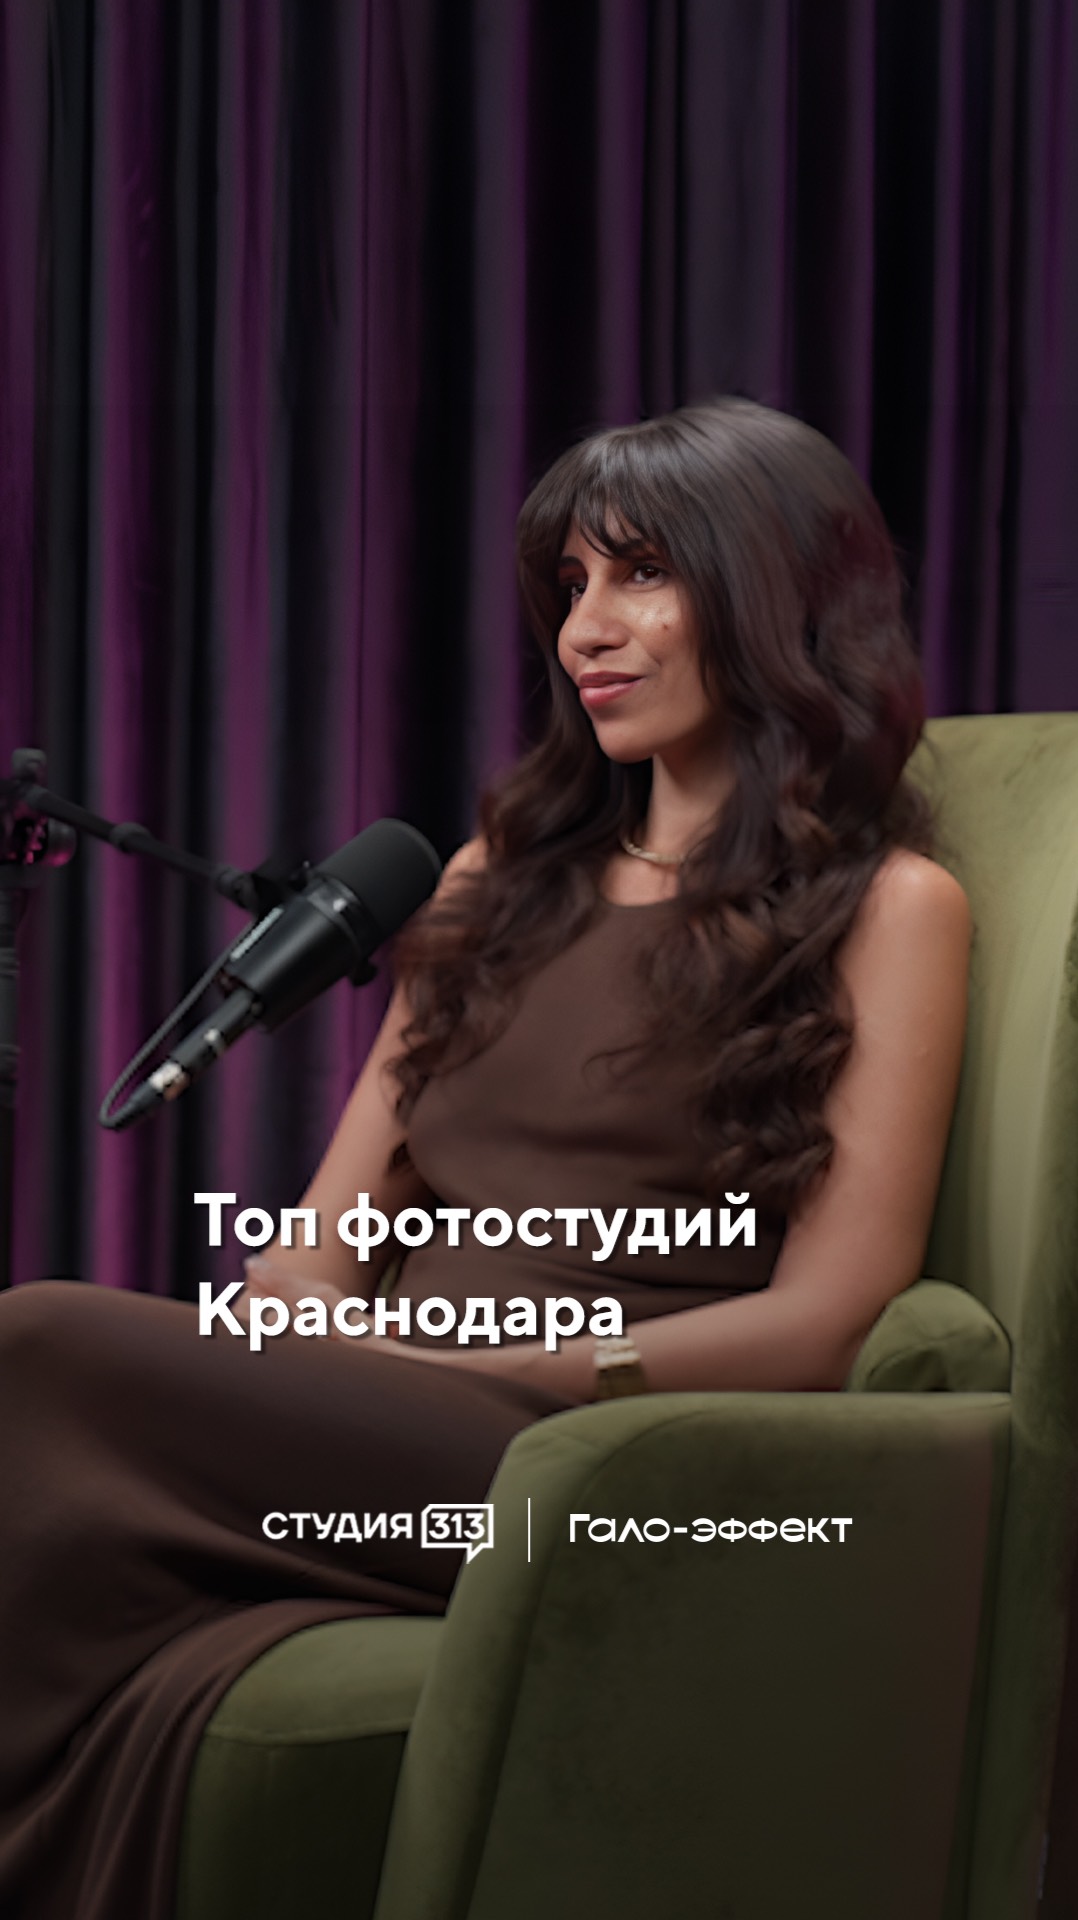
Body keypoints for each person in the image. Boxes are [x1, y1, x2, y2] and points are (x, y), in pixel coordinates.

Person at [0, 396, 971, 1918]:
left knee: (41, 1339)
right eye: (570, 585)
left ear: (777, 591)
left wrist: (486, 1371)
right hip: (376, 1411)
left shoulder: (893, 907)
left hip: (583, 1456)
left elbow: (832, 1316)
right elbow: (321, 1236)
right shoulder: (494, 879)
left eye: (642, 574)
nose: (587, 629)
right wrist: (301, 1341)